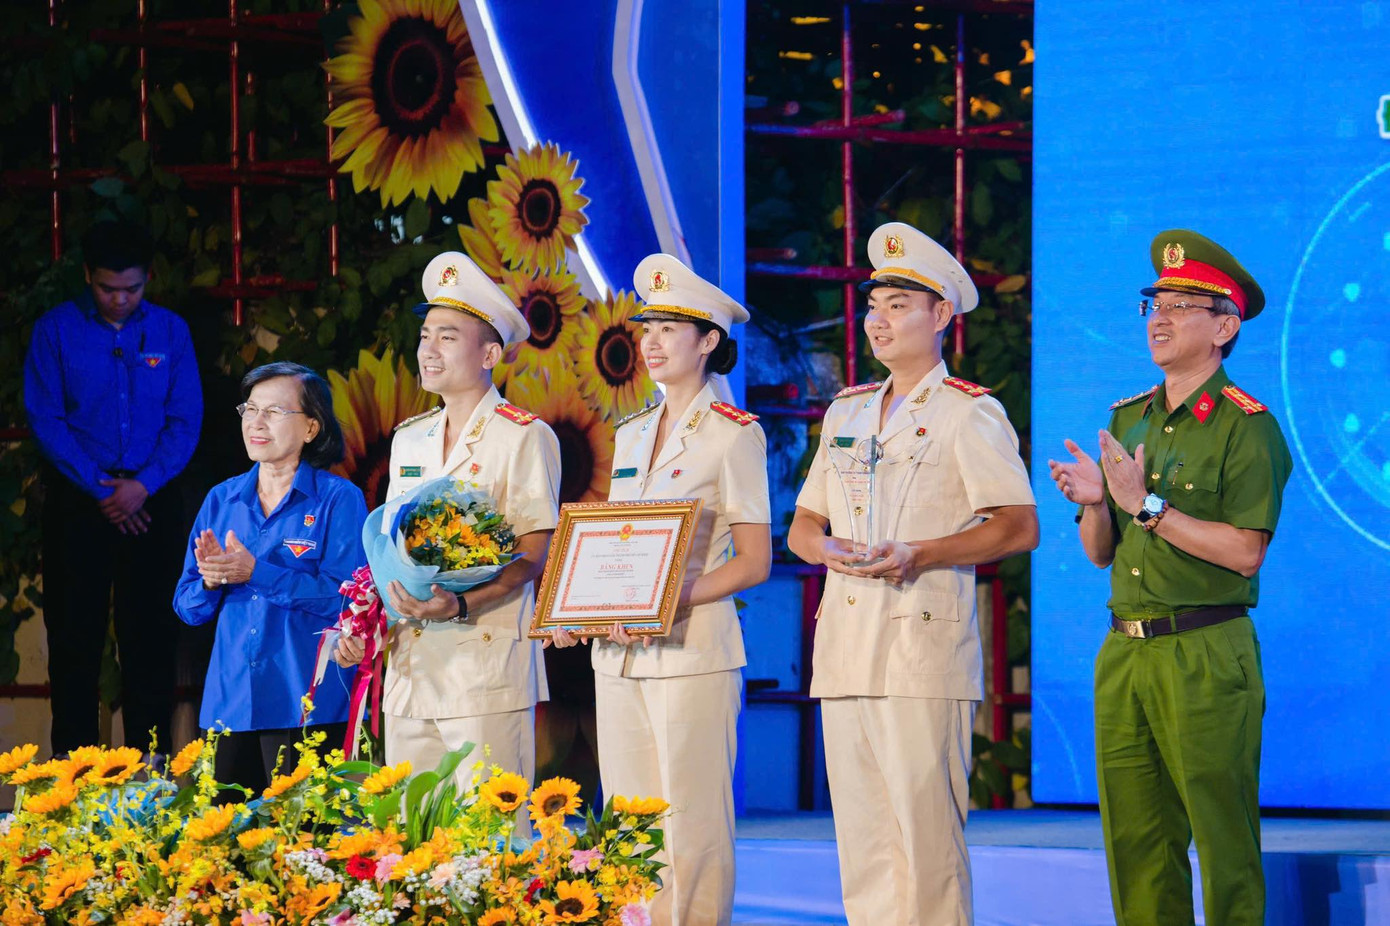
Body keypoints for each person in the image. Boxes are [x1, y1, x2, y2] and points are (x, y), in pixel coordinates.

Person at [787, 222, 1038, 926]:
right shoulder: (846, 410)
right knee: (863, 844)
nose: (879, 319)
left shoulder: (968, 411)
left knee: (926, 842)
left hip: (920, 647)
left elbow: (1019, 525)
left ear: (941, 317)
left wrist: (921, 552)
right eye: (875, 305)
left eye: (900, 304)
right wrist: (823, 549)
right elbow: (804, 524)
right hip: (845, 649)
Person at [1048, 230, 1291, 926]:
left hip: (1205, 651)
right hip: (1125, 648)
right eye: (1155, 302)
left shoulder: (1248, 428)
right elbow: (1101, 552)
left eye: (1183, 305)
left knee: (1221, 836)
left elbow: (1245, 552)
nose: (1160, 317)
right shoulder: (1129, 417)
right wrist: (1098, 503)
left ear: (1224, 326)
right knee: (1138, 838)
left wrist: (1144, 505)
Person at [551, 254, 772, 926]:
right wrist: (579, 608)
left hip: (694, 651)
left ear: (709, 342)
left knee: (694, 821)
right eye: (646, 326)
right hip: (619, 656)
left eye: (670, 327)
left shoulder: (736, 435)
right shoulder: (630, 434)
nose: (650, 341)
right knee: (629, 821)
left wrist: (671, 599)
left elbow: (756, 562)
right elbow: (616, 549)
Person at [337, 251, 560, 797]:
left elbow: (535, 553)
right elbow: (393, 548)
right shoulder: (409, 436)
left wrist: (459, 602)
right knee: (414, 838)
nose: (428, 350)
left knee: (491, 839)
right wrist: (367, 625)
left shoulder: (524, 436)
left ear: (489, 353)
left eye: (448, 337)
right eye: (425, 335)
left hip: (484, 664)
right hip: (412, 662)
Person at [24, 219, 202, 756]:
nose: (120, 299)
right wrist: (103, 488)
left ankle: (151, 772)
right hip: (80, 503)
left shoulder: (170, 331)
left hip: (152, 501)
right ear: (86, 276)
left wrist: (141, 486)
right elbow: (46, 418)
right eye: (107, 289)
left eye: (132, 289)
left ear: (148, 278)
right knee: (74, 644)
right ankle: (72, 778)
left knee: (150, 641)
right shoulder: (55, 330)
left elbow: (185, 418)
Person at [172, 362, 365, 790]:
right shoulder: (222, 499)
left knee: (303, 846)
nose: (256, 423)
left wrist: (257, 572)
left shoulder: (339, 499)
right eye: (250, 409)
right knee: (224, 845)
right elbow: (187, 606)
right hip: (230, 702)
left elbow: (346, 600)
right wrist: (210, 581)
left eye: (274, 412)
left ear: (311, 428)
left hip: (306, 703)